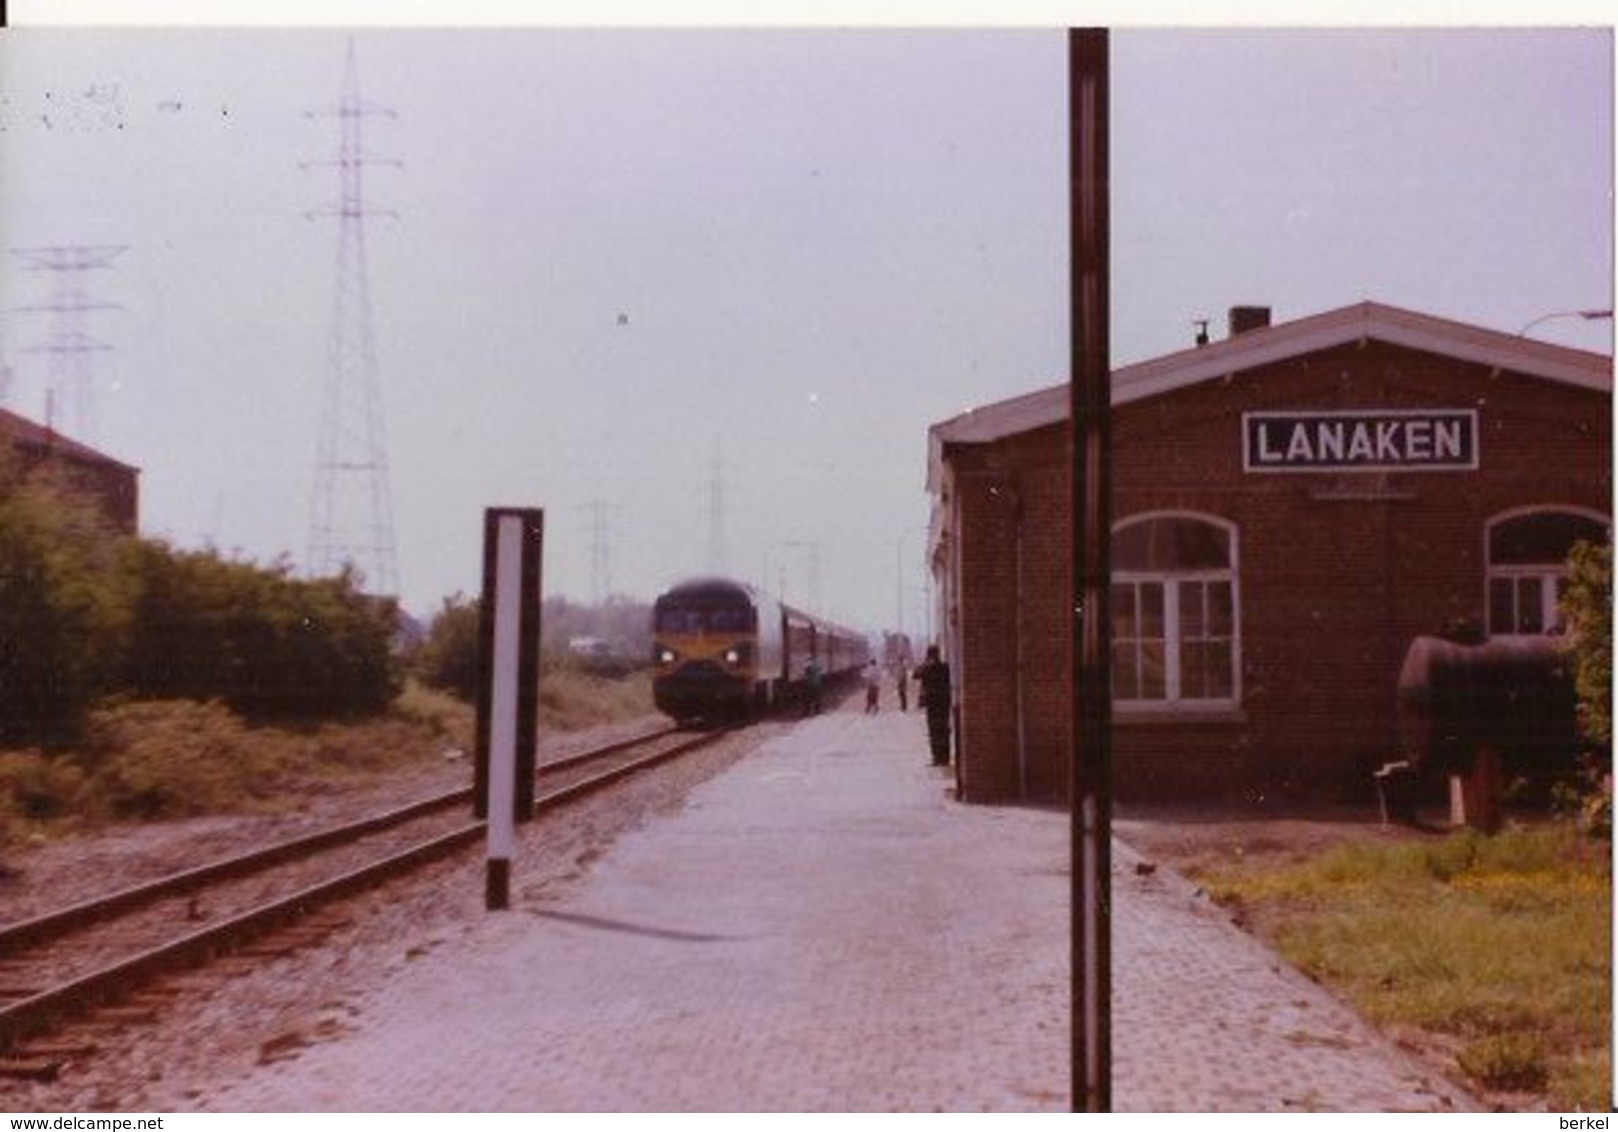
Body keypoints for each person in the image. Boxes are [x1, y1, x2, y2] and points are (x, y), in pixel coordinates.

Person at [913, 645, 952, 766]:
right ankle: (945, 757)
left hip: (932, 703)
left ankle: (936, 757)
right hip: (944, 703)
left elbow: (915, 674)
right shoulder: (945, 667)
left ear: (928, 655)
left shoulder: (927, 668)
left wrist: (925, 662)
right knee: (944, 729)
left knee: (934, 731)